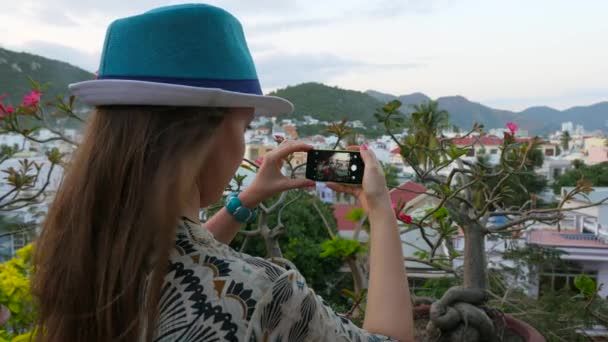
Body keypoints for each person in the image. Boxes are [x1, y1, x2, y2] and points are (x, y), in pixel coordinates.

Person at [31, 4, 414, 342]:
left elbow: (181, 261)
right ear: (210, 134)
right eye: (245, 127)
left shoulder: (88, 251)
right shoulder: (263, 292)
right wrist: (379, 210)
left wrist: (245, 201)